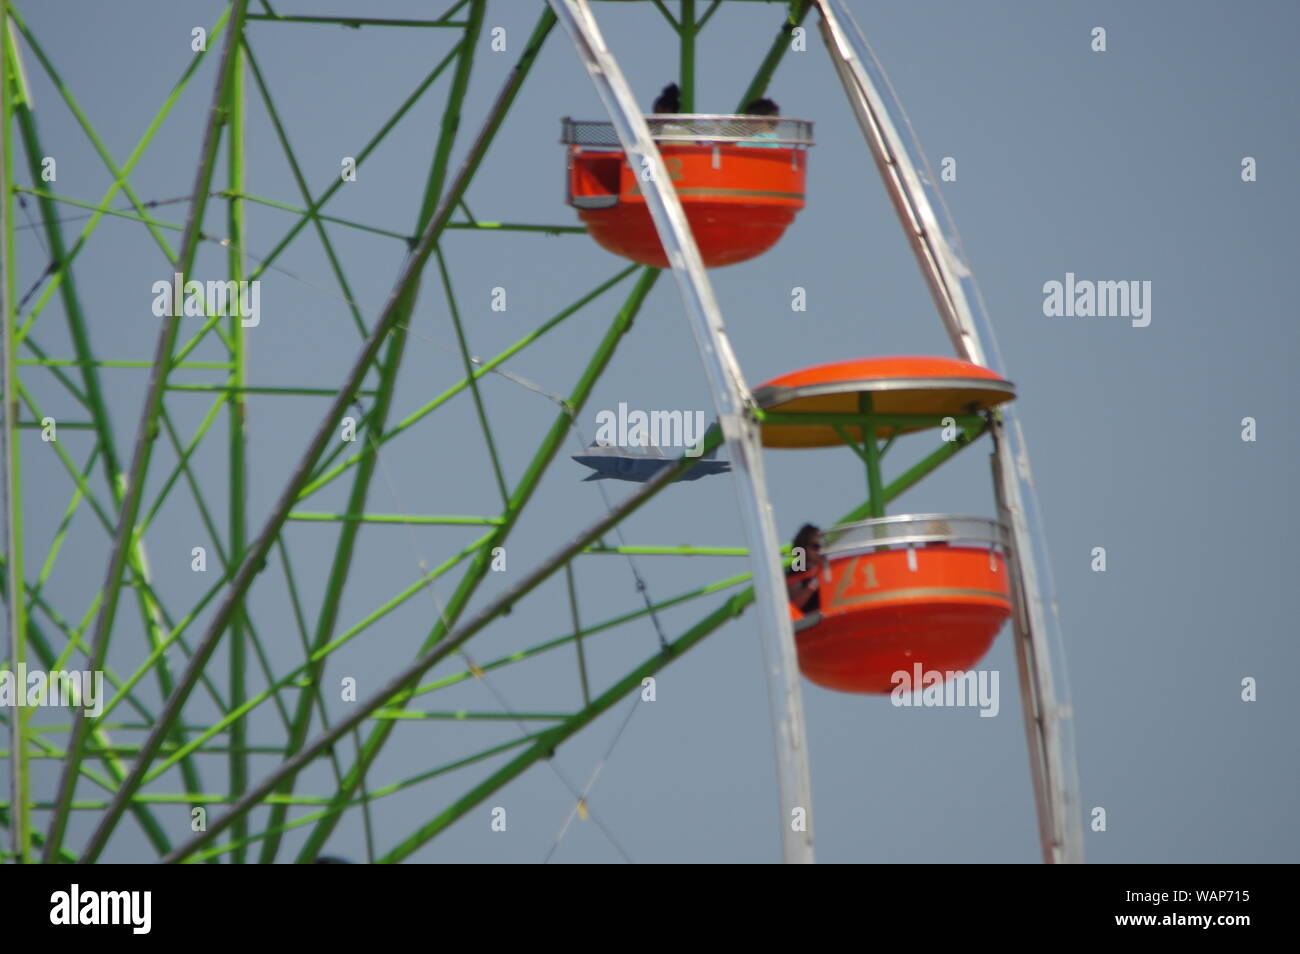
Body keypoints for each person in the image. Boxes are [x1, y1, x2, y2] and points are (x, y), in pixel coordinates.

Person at [785, 523, 825, 614]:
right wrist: (812, 586)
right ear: (803, 547)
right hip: (808, 621)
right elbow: (794, 605)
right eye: (815, 547)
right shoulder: (796, 570)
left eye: (823, 547)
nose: (820, 551)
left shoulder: (827, 568)